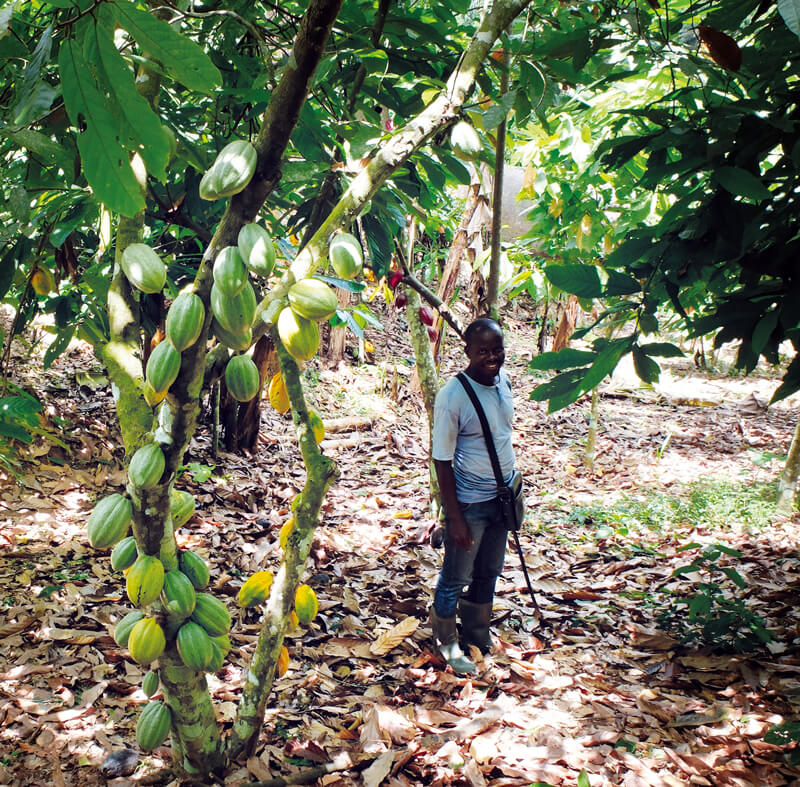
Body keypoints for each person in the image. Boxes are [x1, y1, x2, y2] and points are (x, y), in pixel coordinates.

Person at [430, 317, 516, 674]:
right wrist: (455, 517)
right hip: (470, 501)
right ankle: (446, 641)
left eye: (497, 349)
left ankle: (478, 632)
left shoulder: (503, 382)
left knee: (489, 571)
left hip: (503, 496)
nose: (492, 357)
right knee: (455, 575)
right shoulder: (453, 395)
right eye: (483, 351)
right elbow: (442, 459)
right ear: (467, 351)